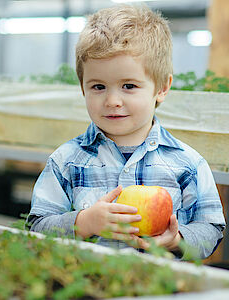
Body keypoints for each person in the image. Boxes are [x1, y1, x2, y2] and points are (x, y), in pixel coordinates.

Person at [26, 4, 226, 259]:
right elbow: (35, 228)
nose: (112, 101)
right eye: (98, 86)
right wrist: (82, 223)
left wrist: (177, 240)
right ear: (82, 87)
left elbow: (211, 229)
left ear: (162, 88)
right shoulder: (66, 161)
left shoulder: (187, 163)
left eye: (129, 86)